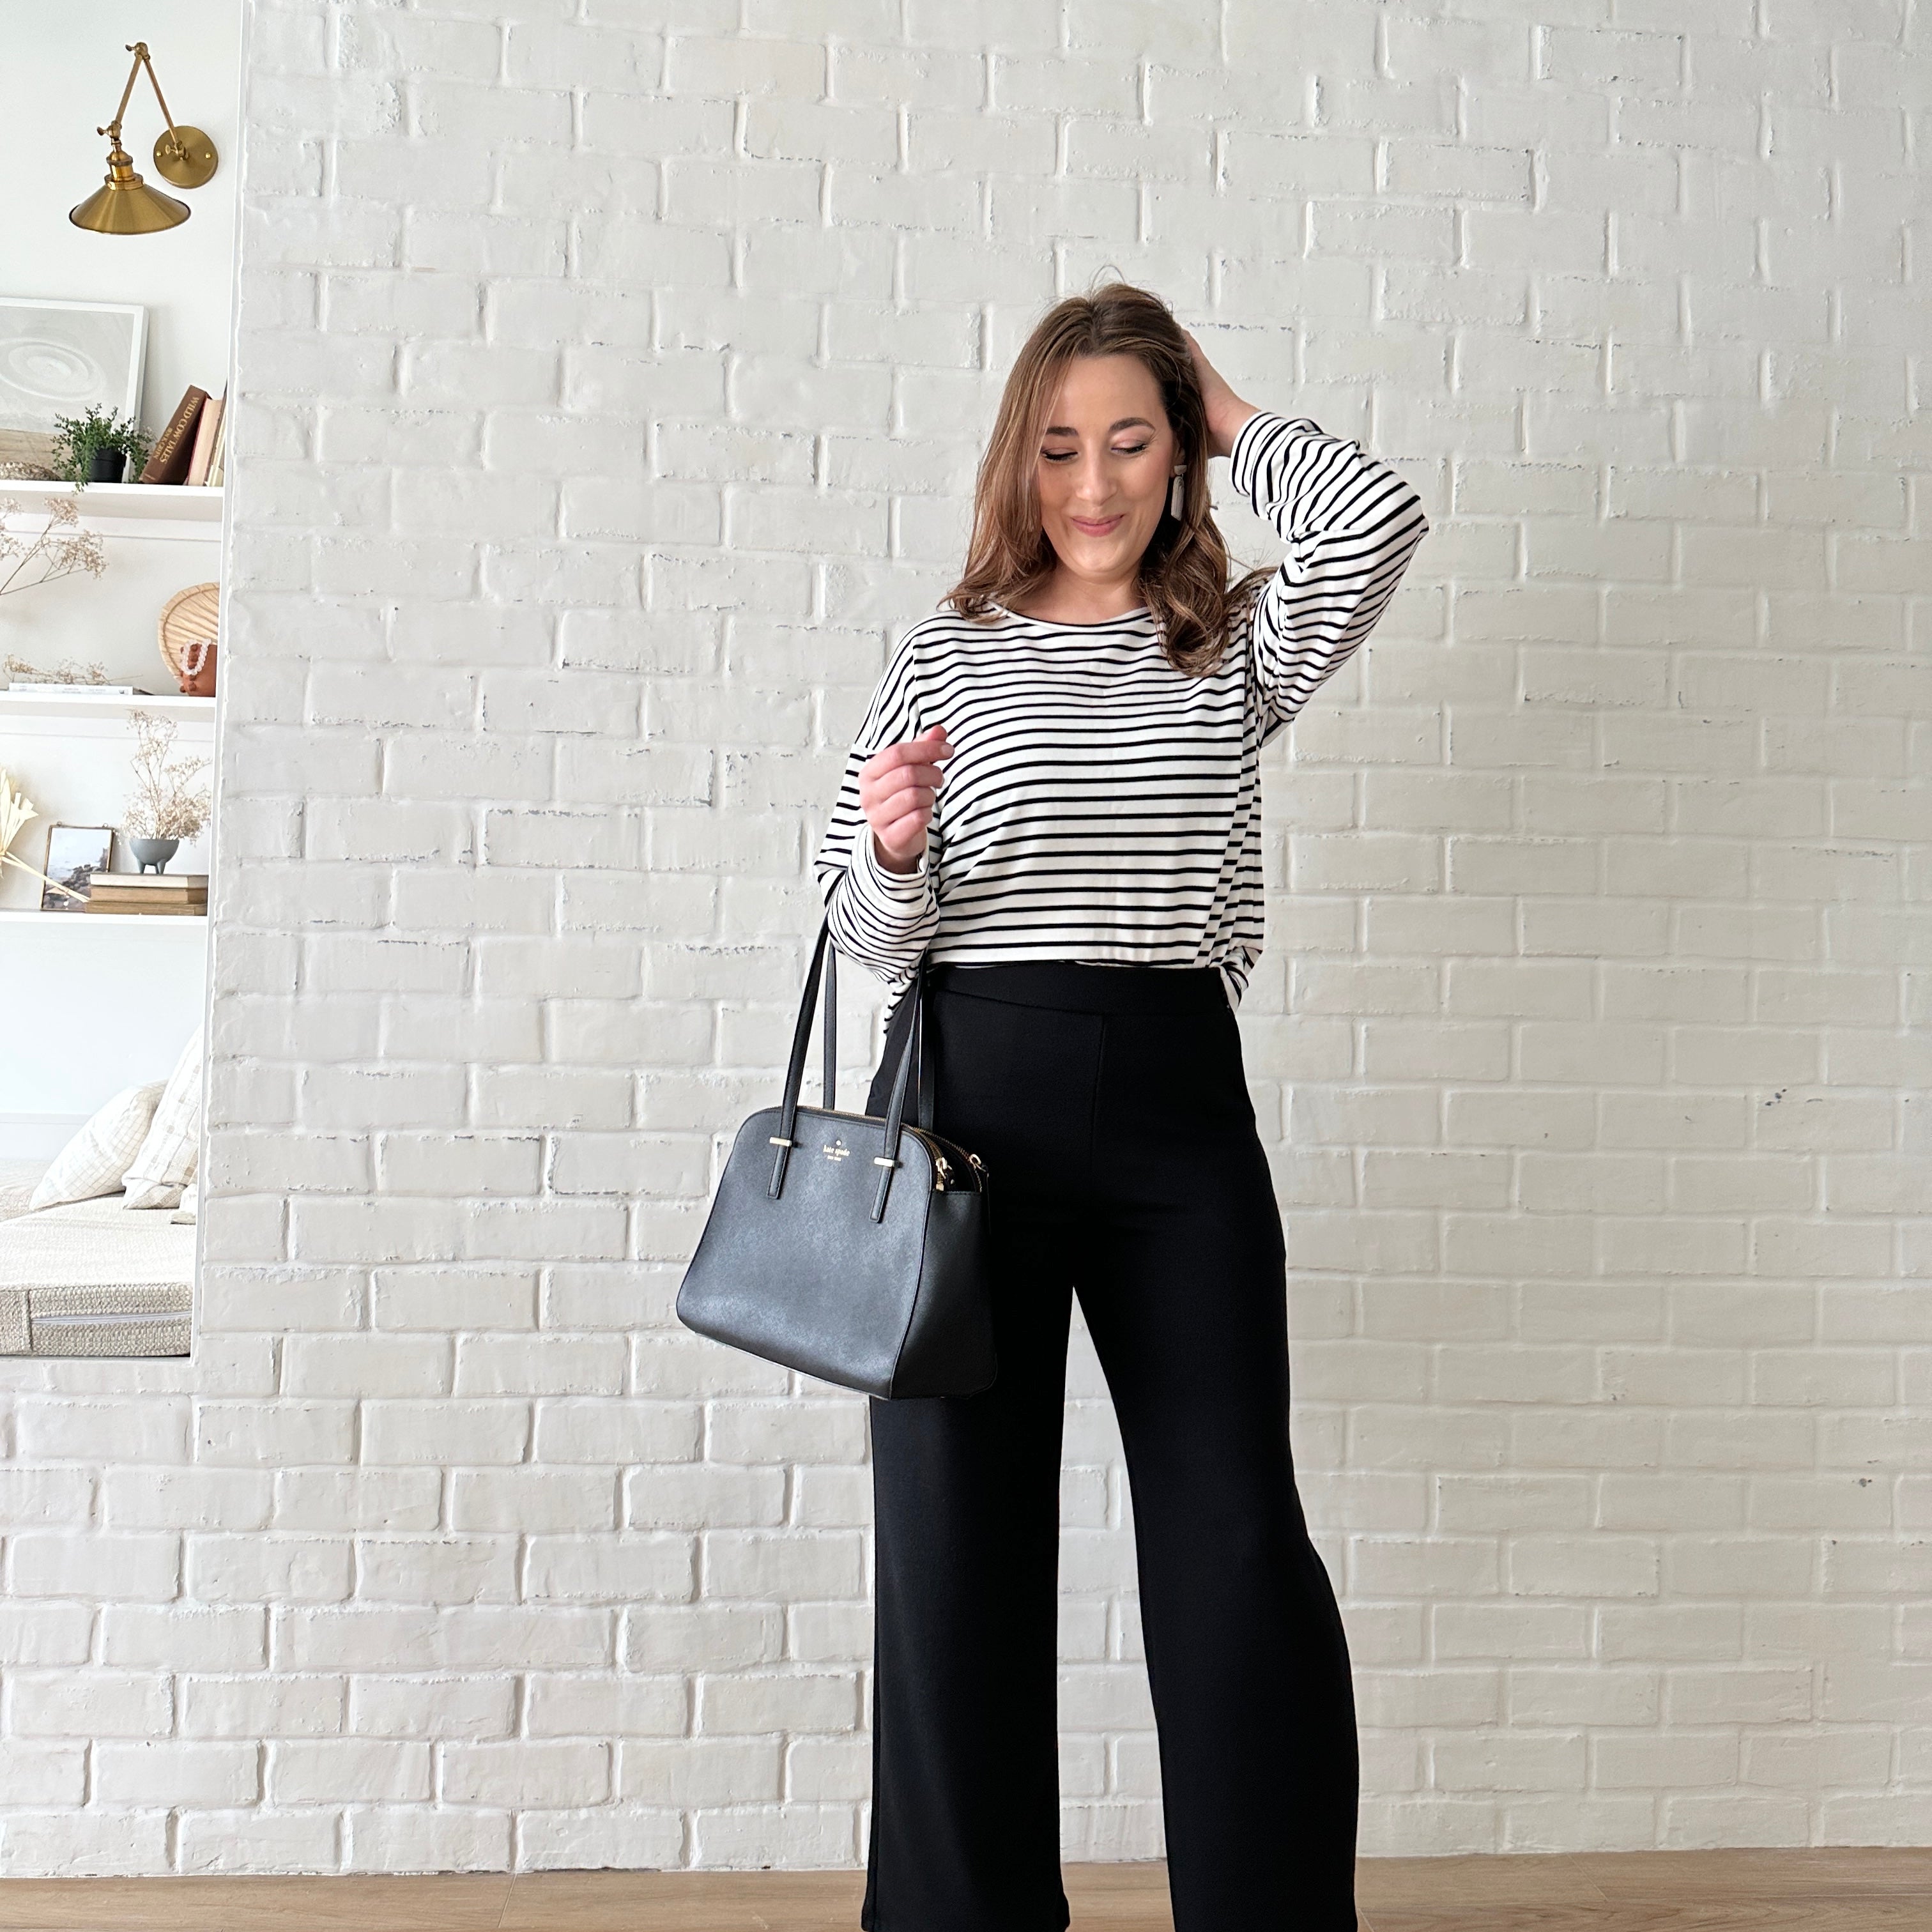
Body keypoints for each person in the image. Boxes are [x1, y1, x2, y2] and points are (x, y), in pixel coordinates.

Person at [809, 281, 1429, 1932]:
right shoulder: (943, 655)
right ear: (1020, 463)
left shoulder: (1222, 646)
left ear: (1175, 457)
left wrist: (1230, 405)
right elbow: (865, 937)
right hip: (962, 1115)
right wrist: (886, 844)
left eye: (1133, 440)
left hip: (1173, 1109)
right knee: (956, 1559)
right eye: (1062, 446)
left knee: (1235, 1543)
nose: (1093, 483)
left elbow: (1377, 525)